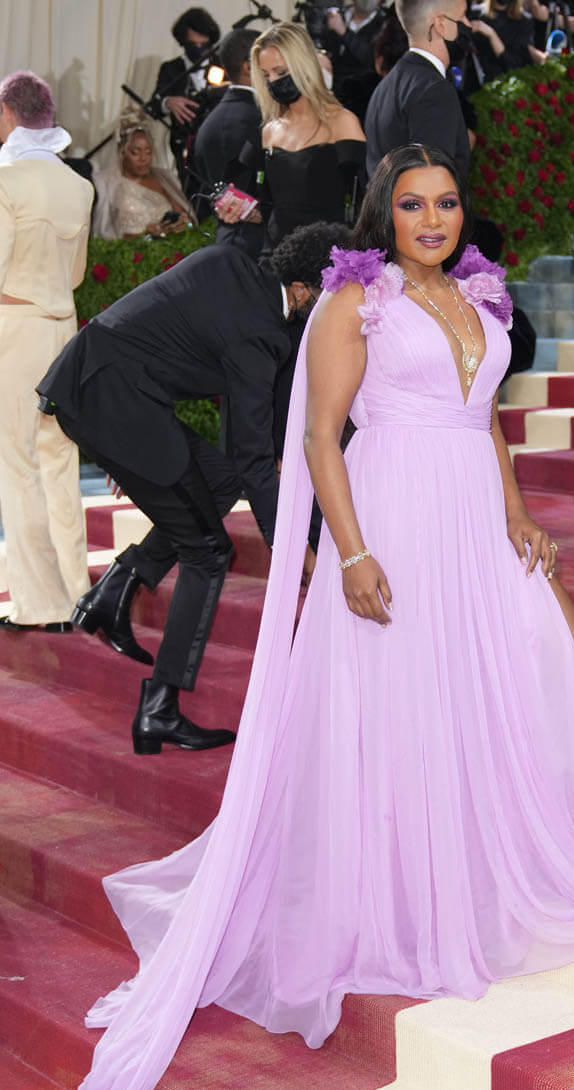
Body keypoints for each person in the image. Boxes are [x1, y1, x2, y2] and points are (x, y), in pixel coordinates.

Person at [10, 144, 574, 1090]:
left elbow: (485, 422)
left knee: (558, 659)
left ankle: (501, 850)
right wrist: (349, 552)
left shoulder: (480, 295)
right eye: (412, 205)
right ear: (382, 215)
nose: (433, 220)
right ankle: (414, 884)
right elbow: (320, 436)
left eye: (446, 203)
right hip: (393, 519)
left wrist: (515, 514)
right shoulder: (356, 301)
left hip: (472, 521)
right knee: (407, 704)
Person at [35, 222, 349, 753]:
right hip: (117, 405)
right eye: (329, 297)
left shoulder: (227, 262)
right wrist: (296, 549)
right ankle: (159, 707)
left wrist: (125, 445)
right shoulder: (261, 335)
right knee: (207, 551)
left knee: (219, 480)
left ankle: (115, 589)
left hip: (103, 387)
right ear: (302, 290)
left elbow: (149, 331)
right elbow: (254, 458)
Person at [0, 70, 94, 634]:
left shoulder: (6, 181)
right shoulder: (79, 185)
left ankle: (40, 603)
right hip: (63, 328)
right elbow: (77, 274)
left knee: (18, 464)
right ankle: (76, 592)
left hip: (15, 327)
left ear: (9, 114)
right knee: (59, 460)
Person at [217, 24, 365, 248]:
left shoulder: (342, 122)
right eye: (266, 76)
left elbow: (366, 200)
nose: (273, 81)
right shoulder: (267, 131)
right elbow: (264, 206)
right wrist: (244, 210)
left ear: (304, 65)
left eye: (281, 72)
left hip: (329, 254)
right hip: (274, 254)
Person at [364, 0, 472, 177]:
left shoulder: (386, 85)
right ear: (440, 24)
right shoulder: (434, 90)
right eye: (462, 16)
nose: (469, 25)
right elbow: (432, 180)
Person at [193, 27, 263, 259]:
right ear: (248, 67)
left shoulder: (212, 120)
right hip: (253, 247)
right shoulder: (252, 119)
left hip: (228, 241)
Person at [151, 6, 221, 188]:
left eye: (203, 45)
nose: (199, 49)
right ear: (183, 42)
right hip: (185, 147)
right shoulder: (171, 69)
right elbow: (153, 106)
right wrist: (168, 102)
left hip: (220, 145)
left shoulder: (224, 64)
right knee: (192, 192)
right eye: (193, 45)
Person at [92, 118, 196, 240]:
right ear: (121, 151)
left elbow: (184, 217)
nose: (143, 159)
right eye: (135, 152)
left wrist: (182, 223)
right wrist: (144, 235)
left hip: (169, 246)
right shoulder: (106, 184)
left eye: (148, 152)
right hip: (129, 249)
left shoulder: (164, 178)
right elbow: (104, 233)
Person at [466, 0, 547, 93]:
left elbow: (514, 65)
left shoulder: (523, 22)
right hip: (471, 83)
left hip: (502, 88)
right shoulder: (475, 14)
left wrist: (492, 35)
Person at [324, 0, 388, 97]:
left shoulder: (385, 24)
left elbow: (372, 58)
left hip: (360, 95)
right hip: (329, 89)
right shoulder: (337, 13)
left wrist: (344, 32)